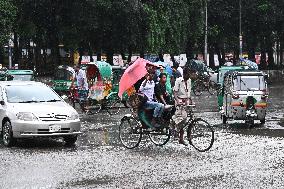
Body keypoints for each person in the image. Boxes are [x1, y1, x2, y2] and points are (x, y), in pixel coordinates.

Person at [173, 67, 194, 146]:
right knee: (183, 117)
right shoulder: (178, 80)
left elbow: (188, 92)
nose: (189, 76)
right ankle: (174, 128)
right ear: (184, 74)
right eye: (188, 74)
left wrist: (191, 100)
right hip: (179, 100)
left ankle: (181, 138)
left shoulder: (189, 81)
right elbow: (174, 92)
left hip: (186, 101)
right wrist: (178, 101)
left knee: (185, 121)